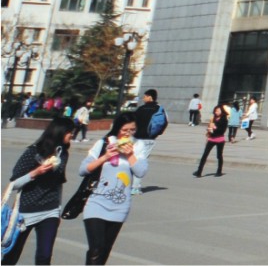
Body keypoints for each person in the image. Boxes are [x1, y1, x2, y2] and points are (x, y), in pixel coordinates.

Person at [3, 116, 74, 266]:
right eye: (69, 132)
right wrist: (36, 172)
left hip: (50, 211)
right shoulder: (33, 152)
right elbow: (14, 184)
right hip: (25, 212)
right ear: (60, 131)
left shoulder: (63, 154)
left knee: (44, 256)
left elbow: (59, 183)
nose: (72, 135)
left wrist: (58, 210)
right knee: (11, 256)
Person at [80, 111, 147, 266]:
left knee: (105, 250)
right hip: (96, 203)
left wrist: (130, 155)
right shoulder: (103, 143)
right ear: (117, 127)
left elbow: (141, 172)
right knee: (96, 248)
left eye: (132, 130)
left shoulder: (138, 145)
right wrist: (105, 157)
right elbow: (83, 170)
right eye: (125, 130)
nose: (128, 134)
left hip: (119, 206)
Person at [130, 90, 165, 193]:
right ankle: (135, 187)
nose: (143, 98)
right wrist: (156, 134)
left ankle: (128, 184)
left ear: (150, 97)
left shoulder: (140, 109)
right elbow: (164, 123)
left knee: (132, 160)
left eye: (145, 96)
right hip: (149, 139)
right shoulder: (159, 109)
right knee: (140, 162)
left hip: (136, 138)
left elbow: (132, 121)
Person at [194, 103, 228, 178]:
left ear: (222, 111)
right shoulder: (213, 118)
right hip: (211, 139)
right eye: (215, 111)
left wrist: (214, 128)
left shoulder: (224, 120)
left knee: (219, 155)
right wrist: (209, 130)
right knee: (204, 155)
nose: (216, 112)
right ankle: (199, 171)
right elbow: (210, 128)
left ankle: (219, 171)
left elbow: (222, 131)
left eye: (218, 111)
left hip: (220, 140)